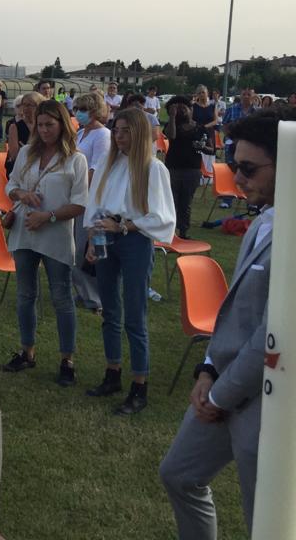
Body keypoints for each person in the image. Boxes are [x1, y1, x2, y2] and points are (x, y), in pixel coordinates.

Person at [160, 105, 289, 539]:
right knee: (178, 473)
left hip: (269, 396)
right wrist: (208, 368)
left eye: (249, 168)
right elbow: (236, 311)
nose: (238, 178)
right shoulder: (266, 219)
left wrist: (221, 394)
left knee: (267, 519)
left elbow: (275, 333)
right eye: (235, 165)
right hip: (223, 381)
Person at [83, 107, 175, 415]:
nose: (119, 137)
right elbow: (96, 205)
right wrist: (93, 240)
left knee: (135, 313)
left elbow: (161, 218)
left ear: (138, 133)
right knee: (110, 310)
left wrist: (124, 226)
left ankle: (140, 385)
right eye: (116, 131)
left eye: (125, 131)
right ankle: (113, 373)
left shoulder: (153, 169)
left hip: (135, 240)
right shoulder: (109, 164)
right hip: (106, 236)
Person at [3, 100, 88, 384]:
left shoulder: (76, 159)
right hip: (25, 232)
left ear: (63, 124)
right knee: (25, 295)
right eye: (40, 125)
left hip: (55, 235)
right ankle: (27, 351)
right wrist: (21, 196)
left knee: (61, 297)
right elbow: (10, 185)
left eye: (50, 124)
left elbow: (79, 205)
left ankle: (67, 359)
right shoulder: (27, 152)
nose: (44, 130)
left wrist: (48, 216)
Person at [70, 92, 111, 311]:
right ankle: (84, 292)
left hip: (90, 198)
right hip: (76, 196)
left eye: (82, 110)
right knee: (76, 248)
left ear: (94, 111)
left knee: (88, 249)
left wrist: (79, 190)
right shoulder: (80, 133)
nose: (78, 114)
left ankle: (96, 298)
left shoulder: (103, 135)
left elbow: (96, 169)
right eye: (77, 109)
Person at [164, 96, 214, 239]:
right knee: (171, 201)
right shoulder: (171, 125)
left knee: (186, 202)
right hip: (173, 168)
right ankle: (170, 232)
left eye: (183, 108)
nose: (181, 111)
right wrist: (172, 118)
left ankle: (183, 231)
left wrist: (202, 147)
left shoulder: (200, 128)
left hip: (192, 169)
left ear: (190, 109)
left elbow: (212, 150)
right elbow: (171, 136)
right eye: (176, 109)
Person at [6, 91, 42, 179]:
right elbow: (14, 155)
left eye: (30, 105)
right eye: (24, 105)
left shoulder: (43, 126)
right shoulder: (15, 127)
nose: (25, 108)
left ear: (39, 106)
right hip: (19, 168)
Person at [192, 85, 218, 183]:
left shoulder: (212, 106)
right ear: (197, 95)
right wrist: (199, 127)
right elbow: (190, 120)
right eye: (199, 93)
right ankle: (199, 176)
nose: (202, 95)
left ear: (207, 93)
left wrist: (206, 126)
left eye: (203, 92)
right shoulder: (193, 106)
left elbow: (216, 120)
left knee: (210, 151)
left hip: (209, 132)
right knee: (199, 151)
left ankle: (209, 177)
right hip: (197, 131)